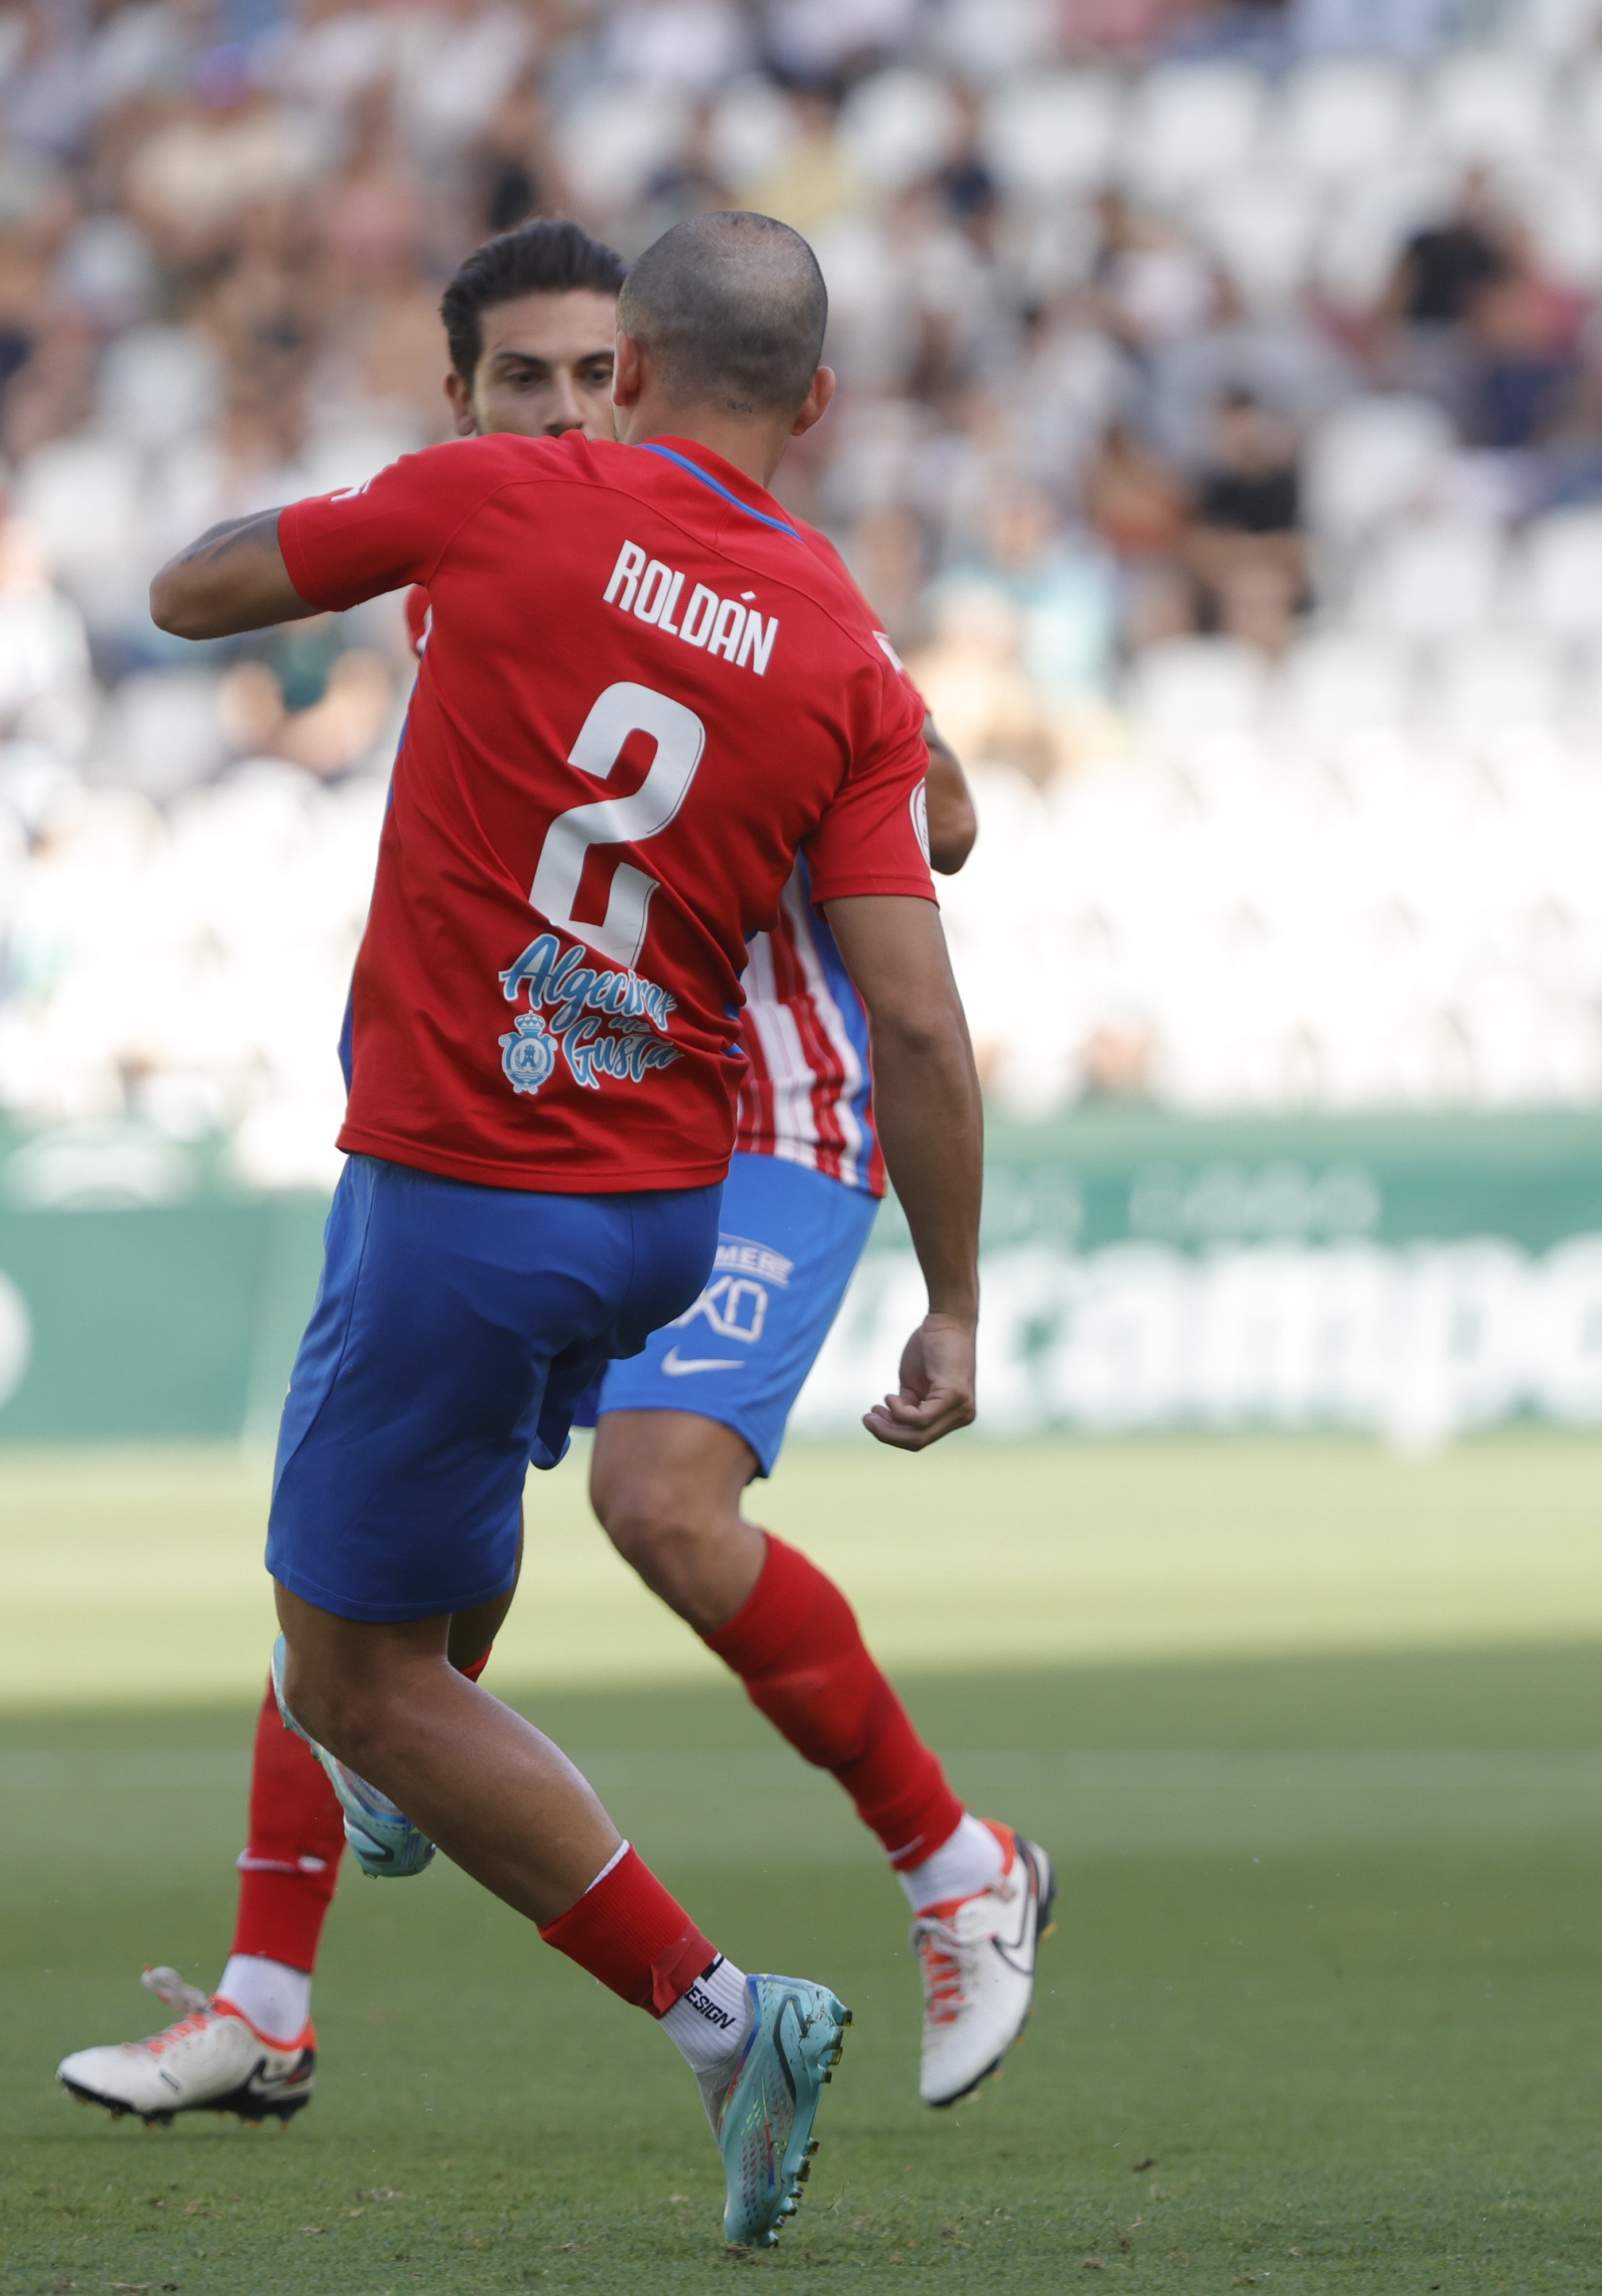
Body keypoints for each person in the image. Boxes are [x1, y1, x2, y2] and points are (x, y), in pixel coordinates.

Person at [58, 218, 1044, 2143]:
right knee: (435, 1574)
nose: (568, 404)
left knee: (463, 1601)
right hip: (634, 1177)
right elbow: (923, 849)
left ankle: (870, 1914)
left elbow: (195, 596)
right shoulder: (801, 618)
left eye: (597, 377)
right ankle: (278, 1984)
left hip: (696, 1120)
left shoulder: (507, 514)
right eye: (529, 381)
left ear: (641, 378)